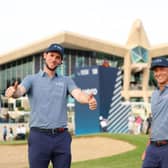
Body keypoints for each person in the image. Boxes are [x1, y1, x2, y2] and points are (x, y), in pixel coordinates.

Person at [5, 43, 97, 168]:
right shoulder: (31, 79)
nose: (54, 59)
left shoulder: (66, 81)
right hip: (39, 137)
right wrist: (13, 91)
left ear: (60, 61)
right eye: (51, 55)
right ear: (45, 56)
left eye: (57, 57)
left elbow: (78, 94)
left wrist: (88, 99)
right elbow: (19, 91)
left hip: (61, 137)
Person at [142, 57, 168, 168]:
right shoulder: (154, 95)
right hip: (152, 148)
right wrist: (147, 148)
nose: (158, 73)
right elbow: (154, 122)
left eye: (162, 69)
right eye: (156, 71)